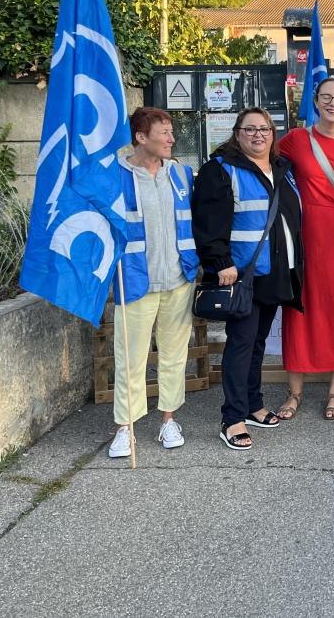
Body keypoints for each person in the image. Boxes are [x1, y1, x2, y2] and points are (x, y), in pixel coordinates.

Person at [193, 108, 304, 451]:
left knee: (257, 343)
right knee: (241, 343)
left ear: (273, 133)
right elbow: (208, 221)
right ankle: (232, 417)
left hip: (275, 272)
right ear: (237, 133)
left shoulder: (283, 170)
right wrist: (219, 261)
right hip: (241, 274)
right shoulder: (221, 169)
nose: (258, 135)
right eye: (250, 129)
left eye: (265, 129)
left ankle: (254, 404)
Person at [108, 107, 200, 458]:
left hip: (178, 280)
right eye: (164, 132)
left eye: (171, 131)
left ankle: (168, 421)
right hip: (134, 281)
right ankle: (125, 428)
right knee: (130, 358)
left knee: (174, 356)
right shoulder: (116, 176)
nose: (171, 138)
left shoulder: (181, 174)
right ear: (141, 137)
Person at [276, 78, 334, 421]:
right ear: (315, 101)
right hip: (305, 235)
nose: (333, 103)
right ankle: (294, 392)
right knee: (300, 310)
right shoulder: (296, 140)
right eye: (326, 97)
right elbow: (262, 162)